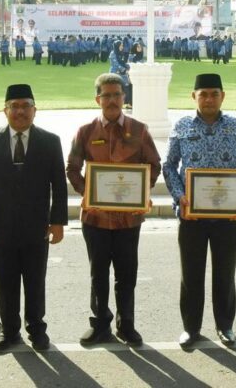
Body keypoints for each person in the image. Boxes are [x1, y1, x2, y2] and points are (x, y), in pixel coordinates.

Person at [66, 73, 161, 347]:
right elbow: (72, 168)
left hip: (129, 219)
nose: (111, 100)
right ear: (97, 99)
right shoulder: (85, 132)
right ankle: (100, 324)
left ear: (124, 97)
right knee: (98, 273)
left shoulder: (139, 130)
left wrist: (141, 193)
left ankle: (126, 324)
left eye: (116, 94)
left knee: (126, 273)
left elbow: (154, 165)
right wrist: (89, 194)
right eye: (106, 95)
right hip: (95, 217)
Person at [0, 84, 68, 352]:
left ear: (35, 110)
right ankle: (9, 330)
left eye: (26, 106)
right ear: (5, 111)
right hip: (1, 227)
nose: (20, 111)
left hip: (37, 227)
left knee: (36, 281)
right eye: (14, 106)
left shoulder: (50, 142)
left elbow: (59, 185)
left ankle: (37, 329)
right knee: (5, 281)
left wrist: (58, 221)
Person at [163, 73, 236, 348]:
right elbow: (169, 166)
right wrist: (180, 197)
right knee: (191, 274)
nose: (209, 99)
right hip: (192, 215)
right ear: (194, 96)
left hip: (228, 216)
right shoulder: (181, 125)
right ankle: (191, 328)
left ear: (223, 96)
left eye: (214, 93)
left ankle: (225, 326)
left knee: (225, 273)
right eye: (203, 94)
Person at [109, 41, 132, 109]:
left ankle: (127, 103)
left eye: (122, 45)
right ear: (117, 46)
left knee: (126, 87)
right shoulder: (113, 54)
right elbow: (116, 64)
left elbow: (122, 62)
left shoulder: (119, 53)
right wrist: (124, 69)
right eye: (121, 45)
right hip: (115, 74)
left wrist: (128, 66)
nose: (122, 47)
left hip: (122, 74)